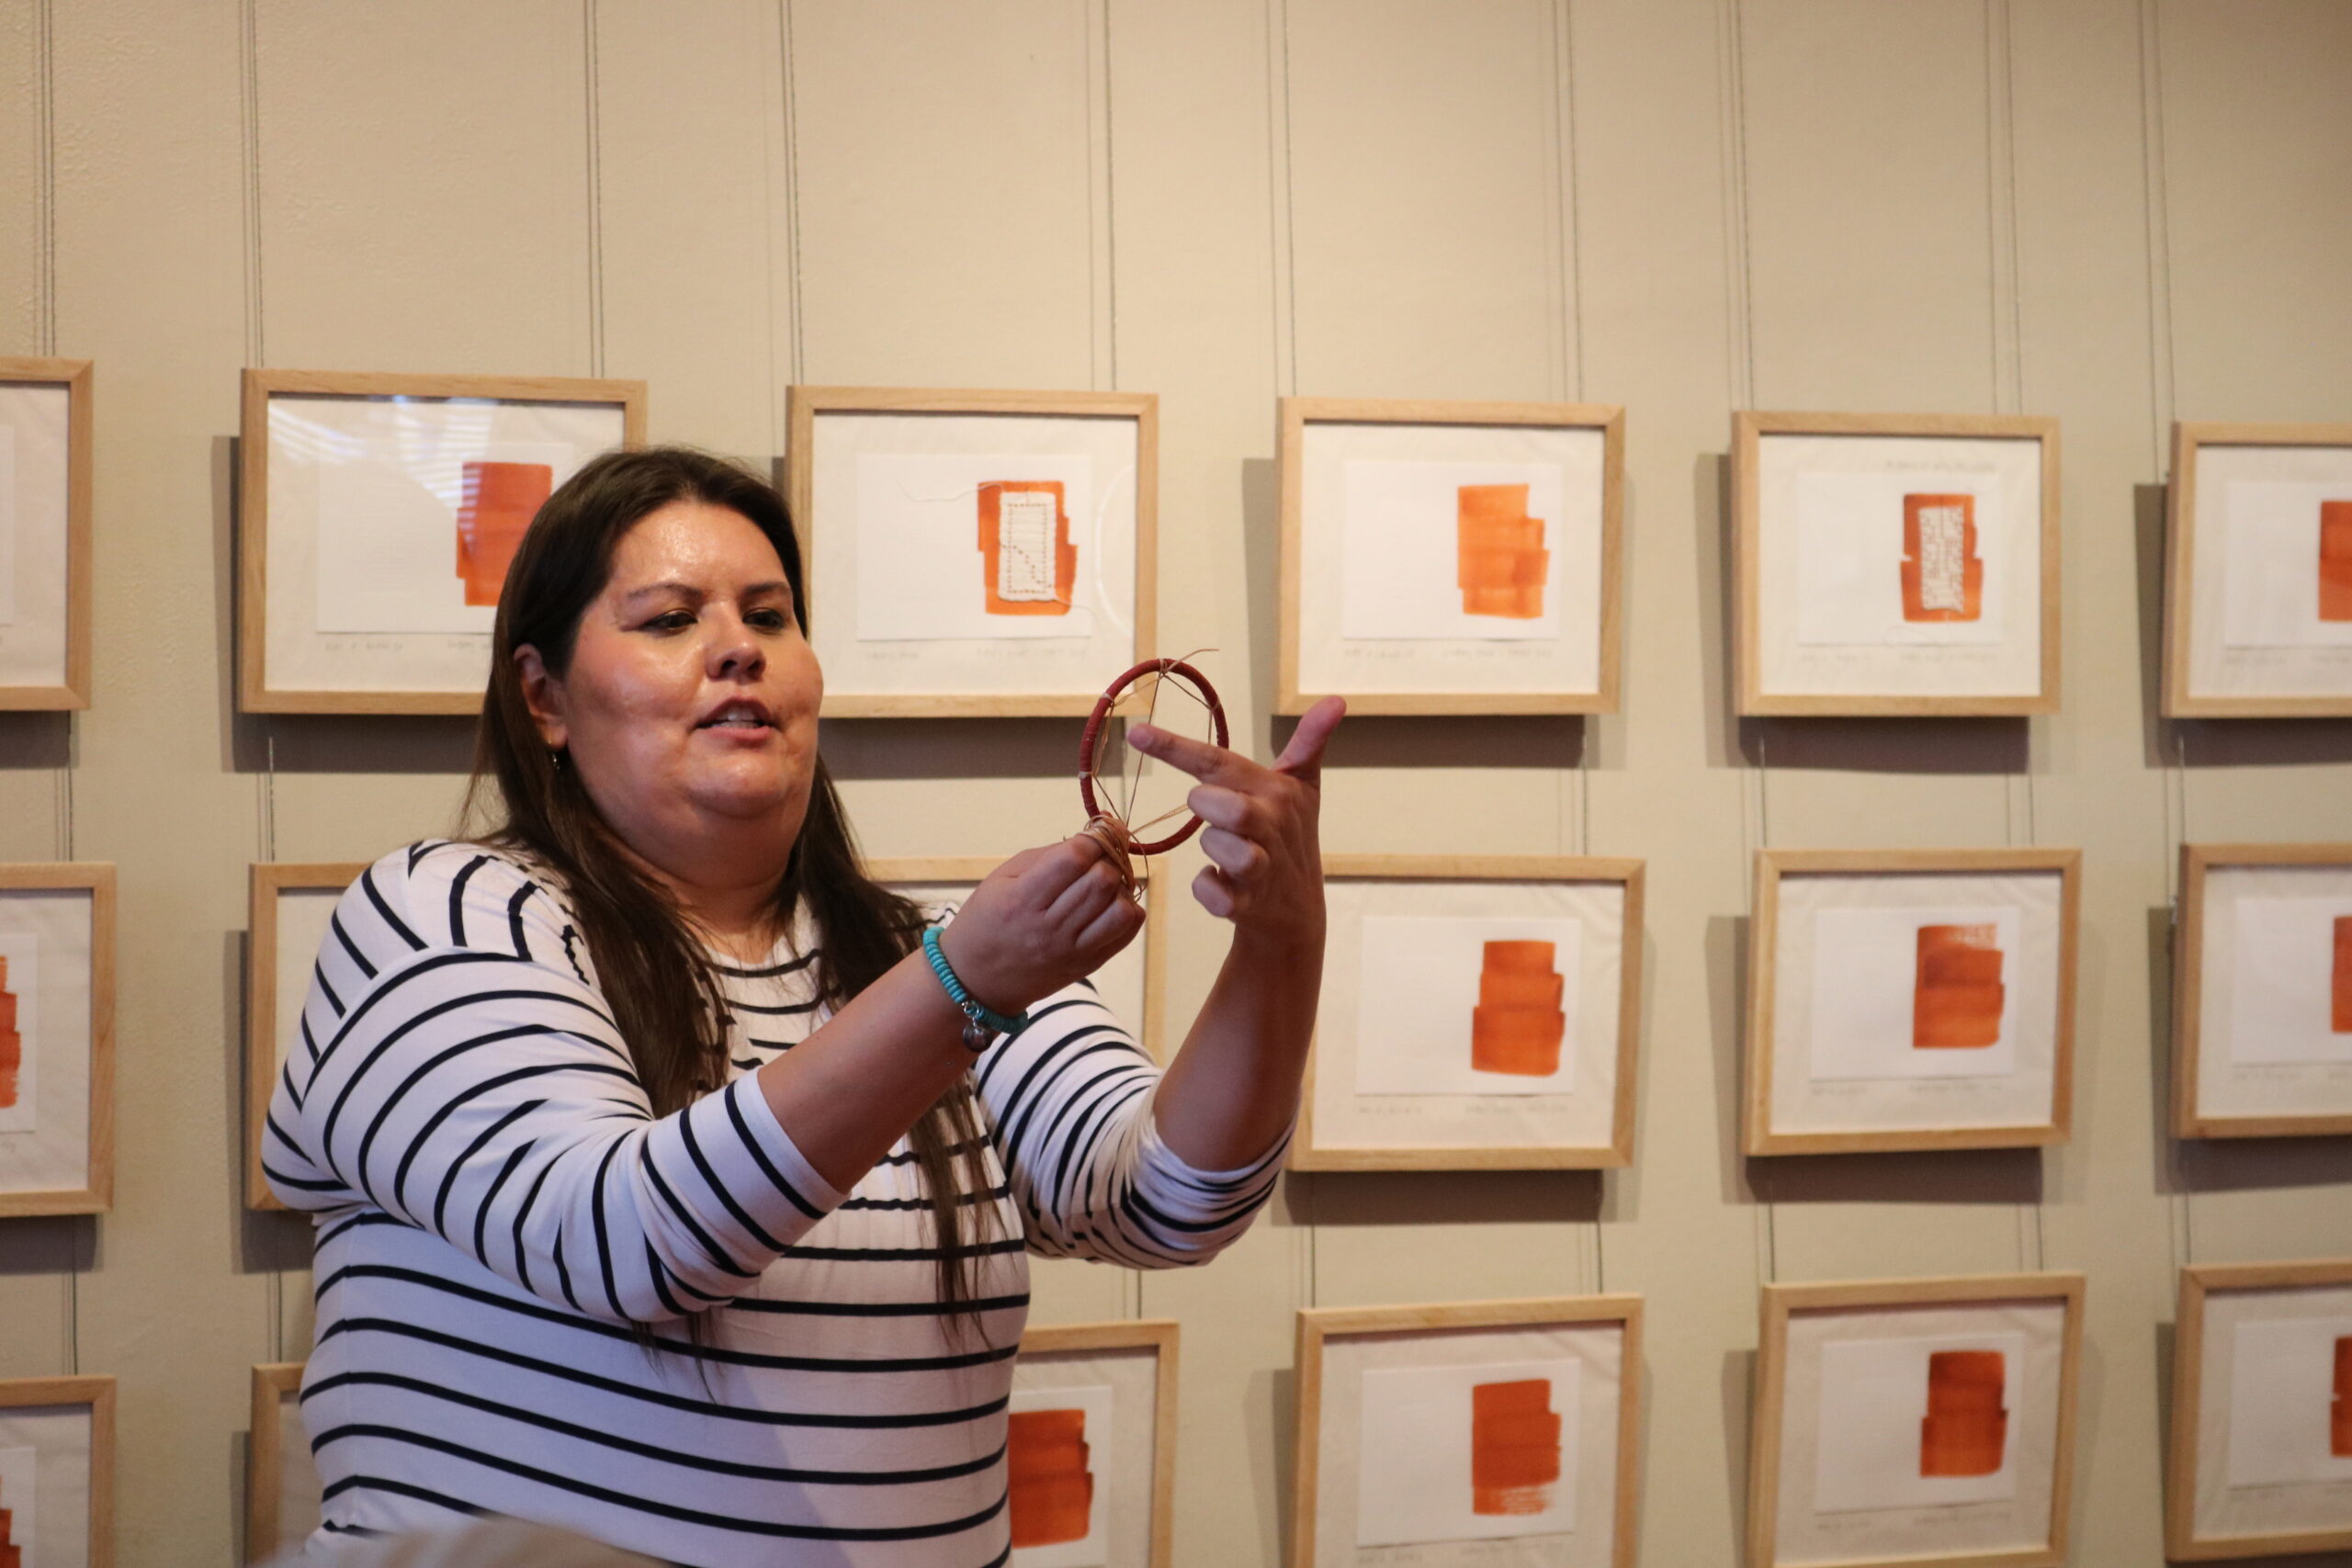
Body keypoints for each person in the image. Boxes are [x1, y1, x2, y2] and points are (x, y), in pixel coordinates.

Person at [265, 446, 1344, 1564]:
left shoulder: (907, 950)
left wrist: (1282, 936)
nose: (739, 646)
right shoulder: (445, 912)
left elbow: (1167, 1198)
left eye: (769, 615)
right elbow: (622, 1242)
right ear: (544, 697)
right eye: (670, 620)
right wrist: (959, 990)